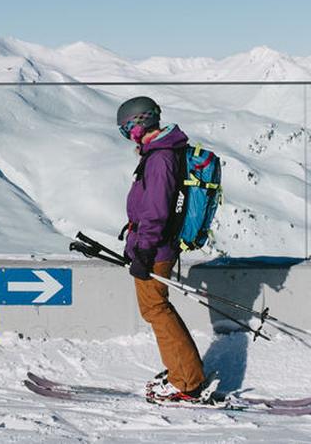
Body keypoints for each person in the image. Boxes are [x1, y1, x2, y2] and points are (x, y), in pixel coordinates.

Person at [116, 95, 209, 403]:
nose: (127, 135)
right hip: (154, 246)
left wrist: (143, 251)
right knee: (158, 309)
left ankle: (187, 380)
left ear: (139, 124)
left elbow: (156, 211)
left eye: (126, 128)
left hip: (154, 250)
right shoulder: (161, 153)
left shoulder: (160, 159)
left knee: (157, 310)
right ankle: (183, 372)